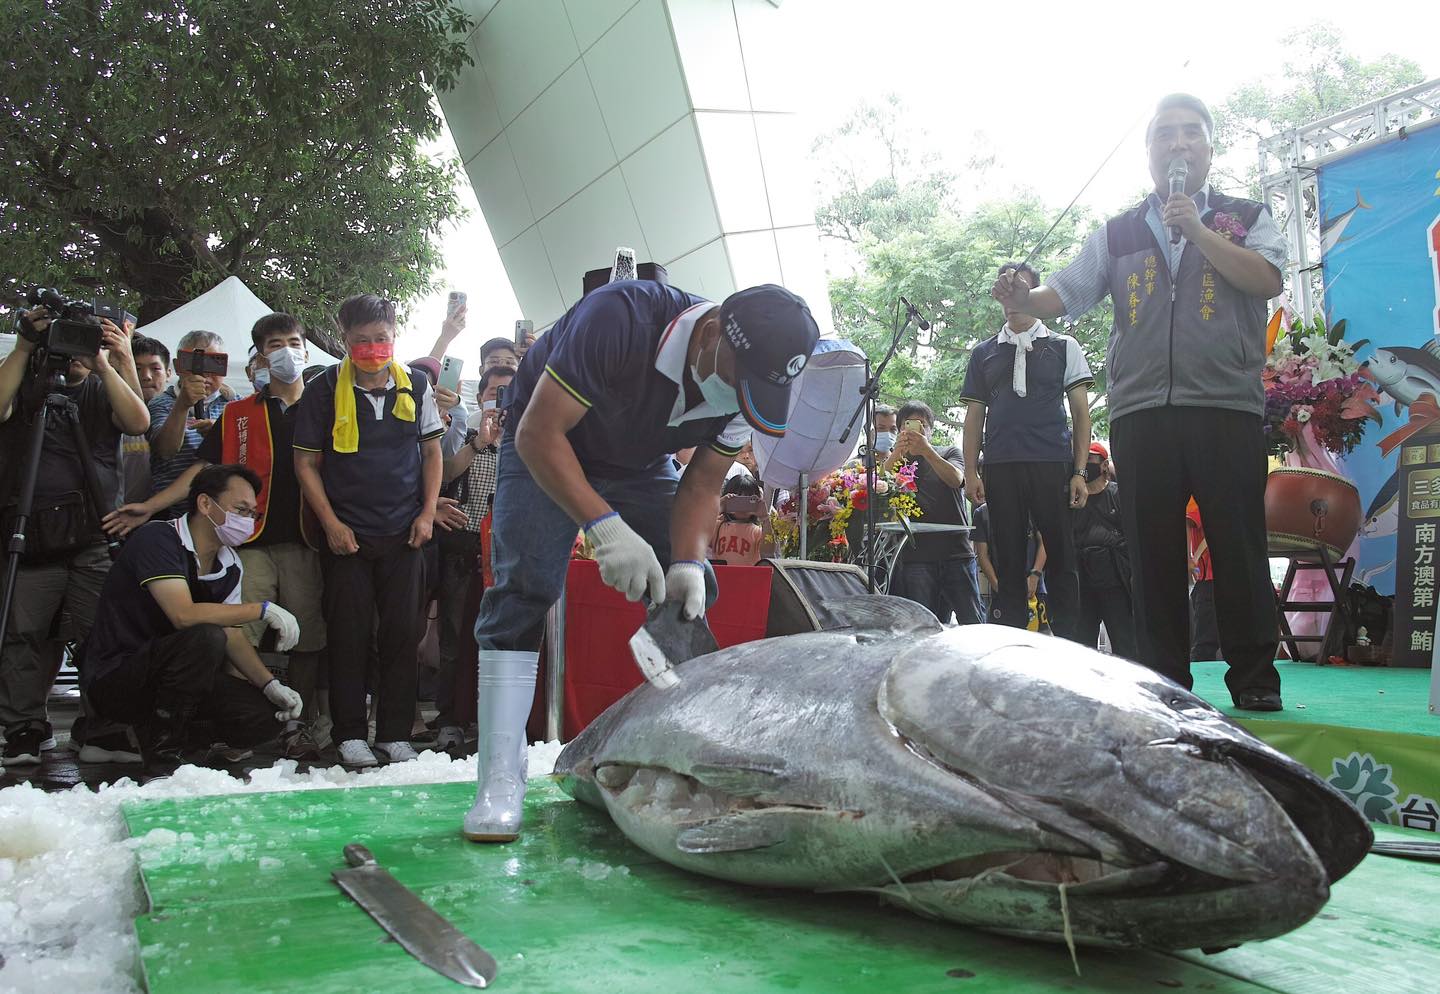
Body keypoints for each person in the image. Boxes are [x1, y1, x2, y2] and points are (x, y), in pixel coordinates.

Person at [464, 279, 819, 843]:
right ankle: (500, 780)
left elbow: (702, 483)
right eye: (738, 380)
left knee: (697, 589)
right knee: (524, 588)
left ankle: (688, 768)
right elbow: (537, 433)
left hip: (640, 464)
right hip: (547, 439)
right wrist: (603, 528)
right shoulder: (620, 318)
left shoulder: (749, 389)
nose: (740, 398)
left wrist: (685, 559)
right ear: (710, 334)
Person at [991, 93, 1284, 710]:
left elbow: (1267, 280)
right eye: (1165, 135)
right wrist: (1021, 294)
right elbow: (1063, 294)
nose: (1178, 144)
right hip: (1141, 412)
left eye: (1190, 133)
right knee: (1149, 554)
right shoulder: (1117, 232)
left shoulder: (1246, 215)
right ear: (1149, 151)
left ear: (1209, 146)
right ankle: (1166, 684)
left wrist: (1197, 230)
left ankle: (1255, 680)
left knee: (1238, 543)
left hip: (1225, 405)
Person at [105, 313, 329, 759]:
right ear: (259, 355)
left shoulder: (326, 406)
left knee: (306, 636)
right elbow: (200, 472)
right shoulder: (238, 413)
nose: (286, 350)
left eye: (293, 341)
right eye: (274, 344)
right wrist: (150, 505)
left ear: (305, 348)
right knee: (238, 628)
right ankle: (238, 722)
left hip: (307, 540)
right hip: (248, 542)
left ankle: (302, 724)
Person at [294, 294, 445, 768]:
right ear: (345, 339)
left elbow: (432, 454)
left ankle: (396, 732)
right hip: (347, 536)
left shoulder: (416, 384)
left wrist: (426, 513)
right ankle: (350, 734)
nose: (373, 348)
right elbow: (305, 463)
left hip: (405, 533)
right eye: (362, 340)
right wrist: (331, 523)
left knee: (403, 634)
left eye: (381, 338)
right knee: (349, 634)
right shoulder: (322, 389)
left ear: (394, 337)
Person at [79, 465, 306, 767]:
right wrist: (260, 609)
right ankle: (162, 757)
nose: (247, 520)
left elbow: (232, 634)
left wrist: (270, 685)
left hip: (180, 684)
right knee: (205, 636)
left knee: (264, 715)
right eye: (240, 509)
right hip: (119, 676)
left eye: (253, 514)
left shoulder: (230, 564)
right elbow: (183, 615)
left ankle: (167, 740)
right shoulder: (158, 538)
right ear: (204, 504)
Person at [0, 307, 149, 765]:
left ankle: (101, 725)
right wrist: (25, 345)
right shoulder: (26, 387)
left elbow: (139, 422)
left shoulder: (100, 389)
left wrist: (104, 362)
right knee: (23, 636)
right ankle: (24, 726)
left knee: (99, 635)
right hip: (31, 533)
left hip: (92, 532)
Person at [964, 261, 1093, 640]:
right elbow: (974, 417)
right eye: (1004, 290)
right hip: (1000, 464)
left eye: (1019, 288)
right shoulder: (984, 352)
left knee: (1061, 553)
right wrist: (971, 471)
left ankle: (1073, 641)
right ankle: (1011, 640)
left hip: (1052, 461)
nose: (1011, 298)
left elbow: (1081, 414)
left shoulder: (1063, 345)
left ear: (1034, 295)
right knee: (1006, 553)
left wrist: (1079, 471)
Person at [432, 364, 513, 754]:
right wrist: (480, 442)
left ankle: (493, 719)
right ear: (480, 396)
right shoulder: (463, 430)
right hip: (461, 546)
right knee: (453, 637)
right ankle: (449, 718)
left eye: (510, 392)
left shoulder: (530, 437)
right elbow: (443, 473)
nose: (502, 399)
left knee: (498, 639)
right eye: (495, 391)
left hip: (507, 552)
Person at [884, 401, 981, 624]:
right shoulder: (896, 461)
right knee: (924, 627)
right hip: (917, 557)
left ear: (931, 430)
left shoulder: (948, 452)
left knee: (973, 622)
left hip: (956, 553)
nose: (917, 431)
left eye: (922, 426)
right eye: (909, 426)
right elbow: (881, 485)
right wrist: (897, 453)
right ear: (900, 430)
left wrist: (926, 451)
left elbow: (956, 480)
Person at [147, 329, 231, 518]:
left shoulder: (236, 406)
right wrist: (182, 405)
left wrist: (221, 433)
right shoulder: (161, 403)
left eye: (215, 363)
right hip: (172, 514)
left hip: (222, 515)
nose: (205, 375)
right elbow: (165, 451)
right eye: (195, 364)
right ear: (178, 366)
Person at [1072, 441, 1137, 658]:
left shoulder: (1118, 495)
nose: (1085, 464)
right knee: (1082, 647)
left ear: (1103, 464)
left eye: (1090, 459)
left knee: (1125, 642)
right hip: (1083, 580)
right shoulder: (1073, 500)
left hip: (1114, 579)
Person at [119, 335, 172, 506]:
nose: (146, 376)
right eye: (137, 368)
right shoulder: (113, 415)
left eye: (155, 368)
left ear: (169, 373)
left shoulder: (182, 416)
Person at [709, 473, 765, 567]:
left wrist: (765, 518)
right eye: (738, 500)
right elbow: (697, 534)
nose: (742, 507)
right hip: (720, 578)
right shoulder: (718, 526)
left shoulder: (757, 531)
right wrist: (719, 508)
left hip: (746, 578)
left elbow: (768, 551)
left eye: (747, 500)